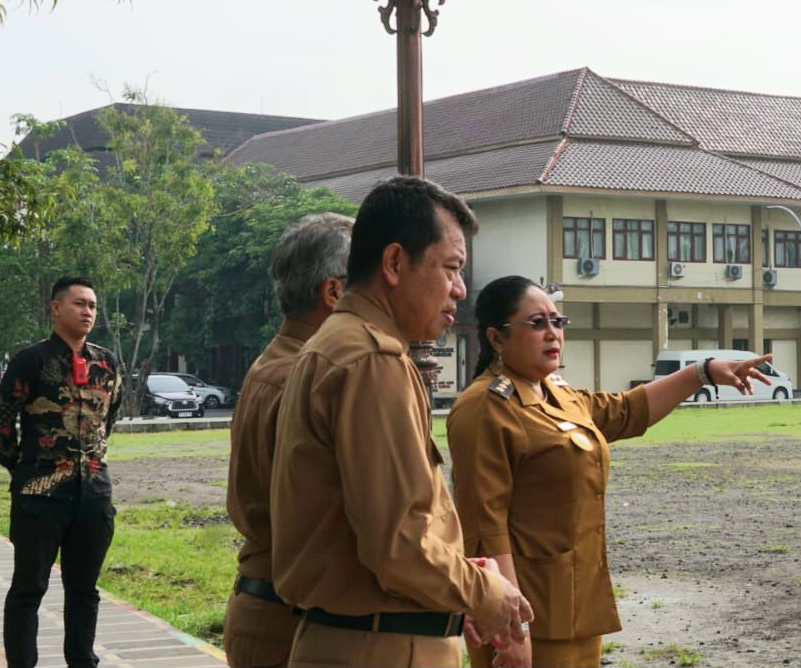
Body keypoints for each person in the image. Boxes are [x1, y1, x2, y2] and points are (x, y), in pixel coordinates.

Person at [270, 177, 533, 668]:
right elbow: (397, 545)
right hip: (381, 645)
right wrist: (488, 592)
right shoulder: (372, 360)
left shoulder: (335, 344)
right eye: (451, 268)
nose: (459, 289)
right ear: (394, 263)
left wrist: (456, 577)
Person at [447, 276, 772, 668]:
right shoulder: (484, 408)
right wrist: (511, 626)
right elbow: (484, 526)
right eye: (536, 324)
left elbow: (627, 411)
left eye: (557, 322)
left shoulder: (556, 393)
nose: (552, 334)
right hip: (530, 612)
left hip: (579, 603)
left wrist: (702, 372)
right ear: (497, 338)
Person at [223, 213, 353, 667]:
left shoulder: (278, 363)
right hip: (292, 619)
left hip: (272, 607)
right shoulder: (307, 375)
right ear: (334, 293)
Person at [0, 277, 122, 668]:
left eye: (93, 306)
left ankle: (82, 661)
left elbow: (109, 417)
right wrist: (23, 467)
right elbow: (2, 419)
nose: (88, 312)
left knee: (84, 590)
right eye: (79, 303)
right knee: (29, 590)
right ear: (56, 308)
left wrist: (92, 461)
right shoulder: (30, 361)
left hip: (94, 494)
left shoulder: (107, 362)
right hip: (40, 495)